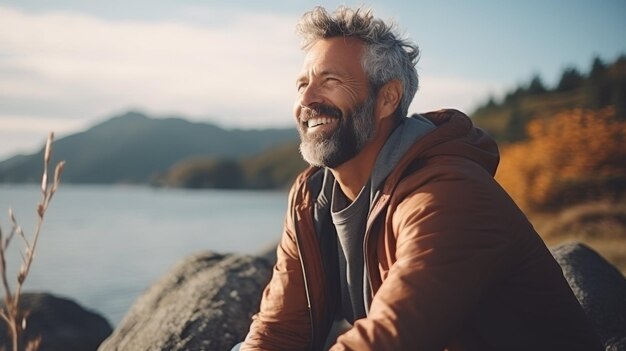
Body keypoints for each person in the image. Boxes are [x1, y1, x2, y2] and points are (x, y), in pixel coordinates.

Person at [235, 5, 602, 351]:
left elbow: (392, 339)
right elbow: (279, 329)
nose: (307, 100)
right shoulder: (310, 198)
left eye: (330, 80)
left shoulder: (450, 193)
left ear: (387, 99)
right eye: (302, 85)